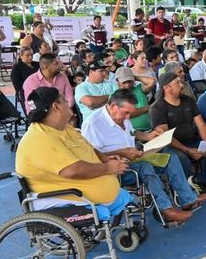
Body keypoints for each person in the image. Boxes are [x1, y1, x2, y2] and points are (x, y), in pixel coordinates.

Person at [81, 89, 203, 223]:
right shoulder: (93, 124)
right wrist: (121, 152)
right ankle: (166, 209)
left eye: (130, 113)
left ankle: (187, 200)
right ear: (114, 106)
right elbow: (91, 156)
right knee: (145, 167)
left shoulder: (122, 117)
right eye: (126, 113)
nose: (128, 117)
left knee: (170, 157)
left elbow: (132, 133)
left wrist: (149, 135)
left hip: (134, 158)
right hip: (116, 169)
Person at [15, 87, 132, 220]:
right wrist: (107, 168)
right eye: (64, 100)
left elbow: (87, 147)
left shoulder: (63, 128)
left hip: (91, 191)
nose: (68, 103)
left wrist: (104, 158)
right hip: (62, 197)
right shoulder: (40, 138)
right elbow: (72, 170)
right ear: (56, 107)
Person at [150, 72, 206, 194]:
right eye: (177, 83)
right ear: (167, 88)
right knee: (182, 159)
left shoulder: (188, 100)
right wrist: (187, 150)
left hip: (193, 141)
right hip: (171, 146)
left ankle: (199, 180)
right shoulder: (157, 108)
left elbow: (201, 124)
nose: (182, 85)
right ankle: (182, 189)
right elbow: (165, 137)